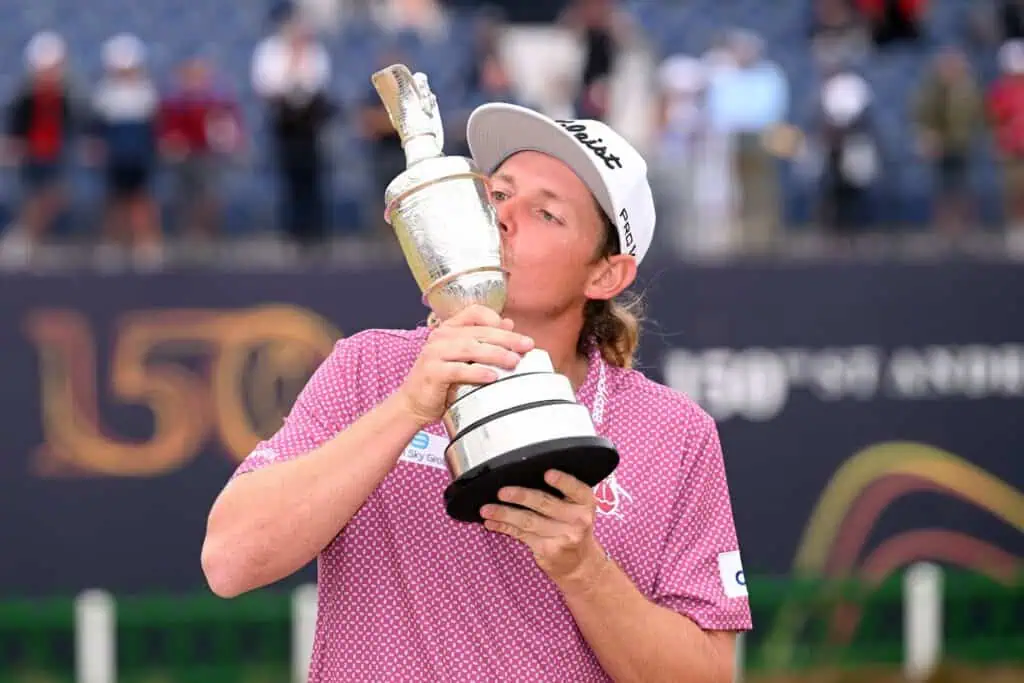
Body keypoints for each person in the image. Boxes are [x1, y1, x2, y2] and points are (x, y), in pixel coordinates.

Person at [201, 102, 752, 682]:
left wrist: (583, 569)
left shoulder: (673, 431)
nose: (505, 216)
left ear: (605, 275)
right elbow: (229, 561)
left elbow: (708, 676)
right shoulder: (370, 367)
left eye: (546, 213)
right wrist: (408, 408)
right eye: (498, 194)